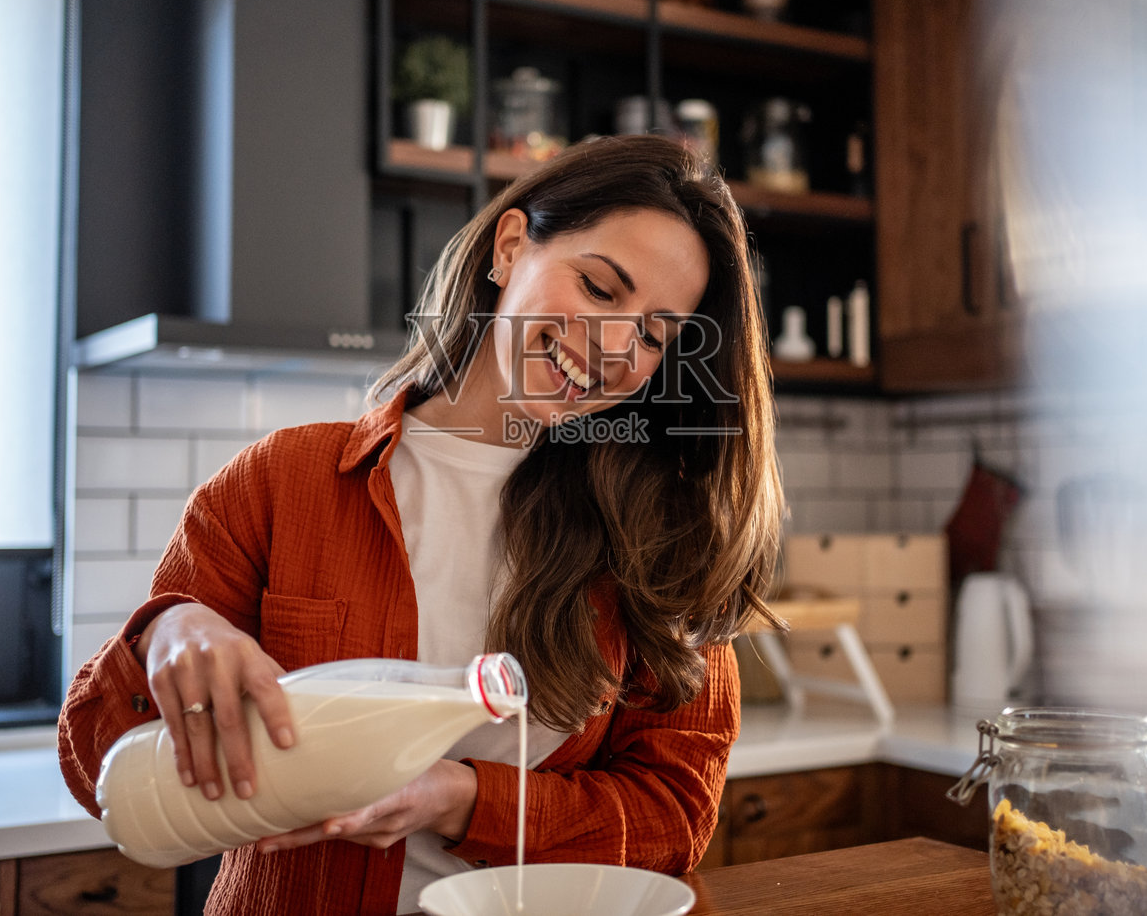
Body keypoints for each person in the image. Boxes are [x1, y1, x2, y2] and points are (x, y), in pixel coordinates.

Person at [58, 134, 785, 915]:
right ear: (511, 247)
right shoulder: (282, 482)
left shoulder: (657, 539)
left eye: (653, 334)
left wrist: (461, 797)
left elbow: (672, 816)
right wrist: (168, 632)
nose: (615, 347)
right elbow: (96, 765)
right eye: (601, 288)